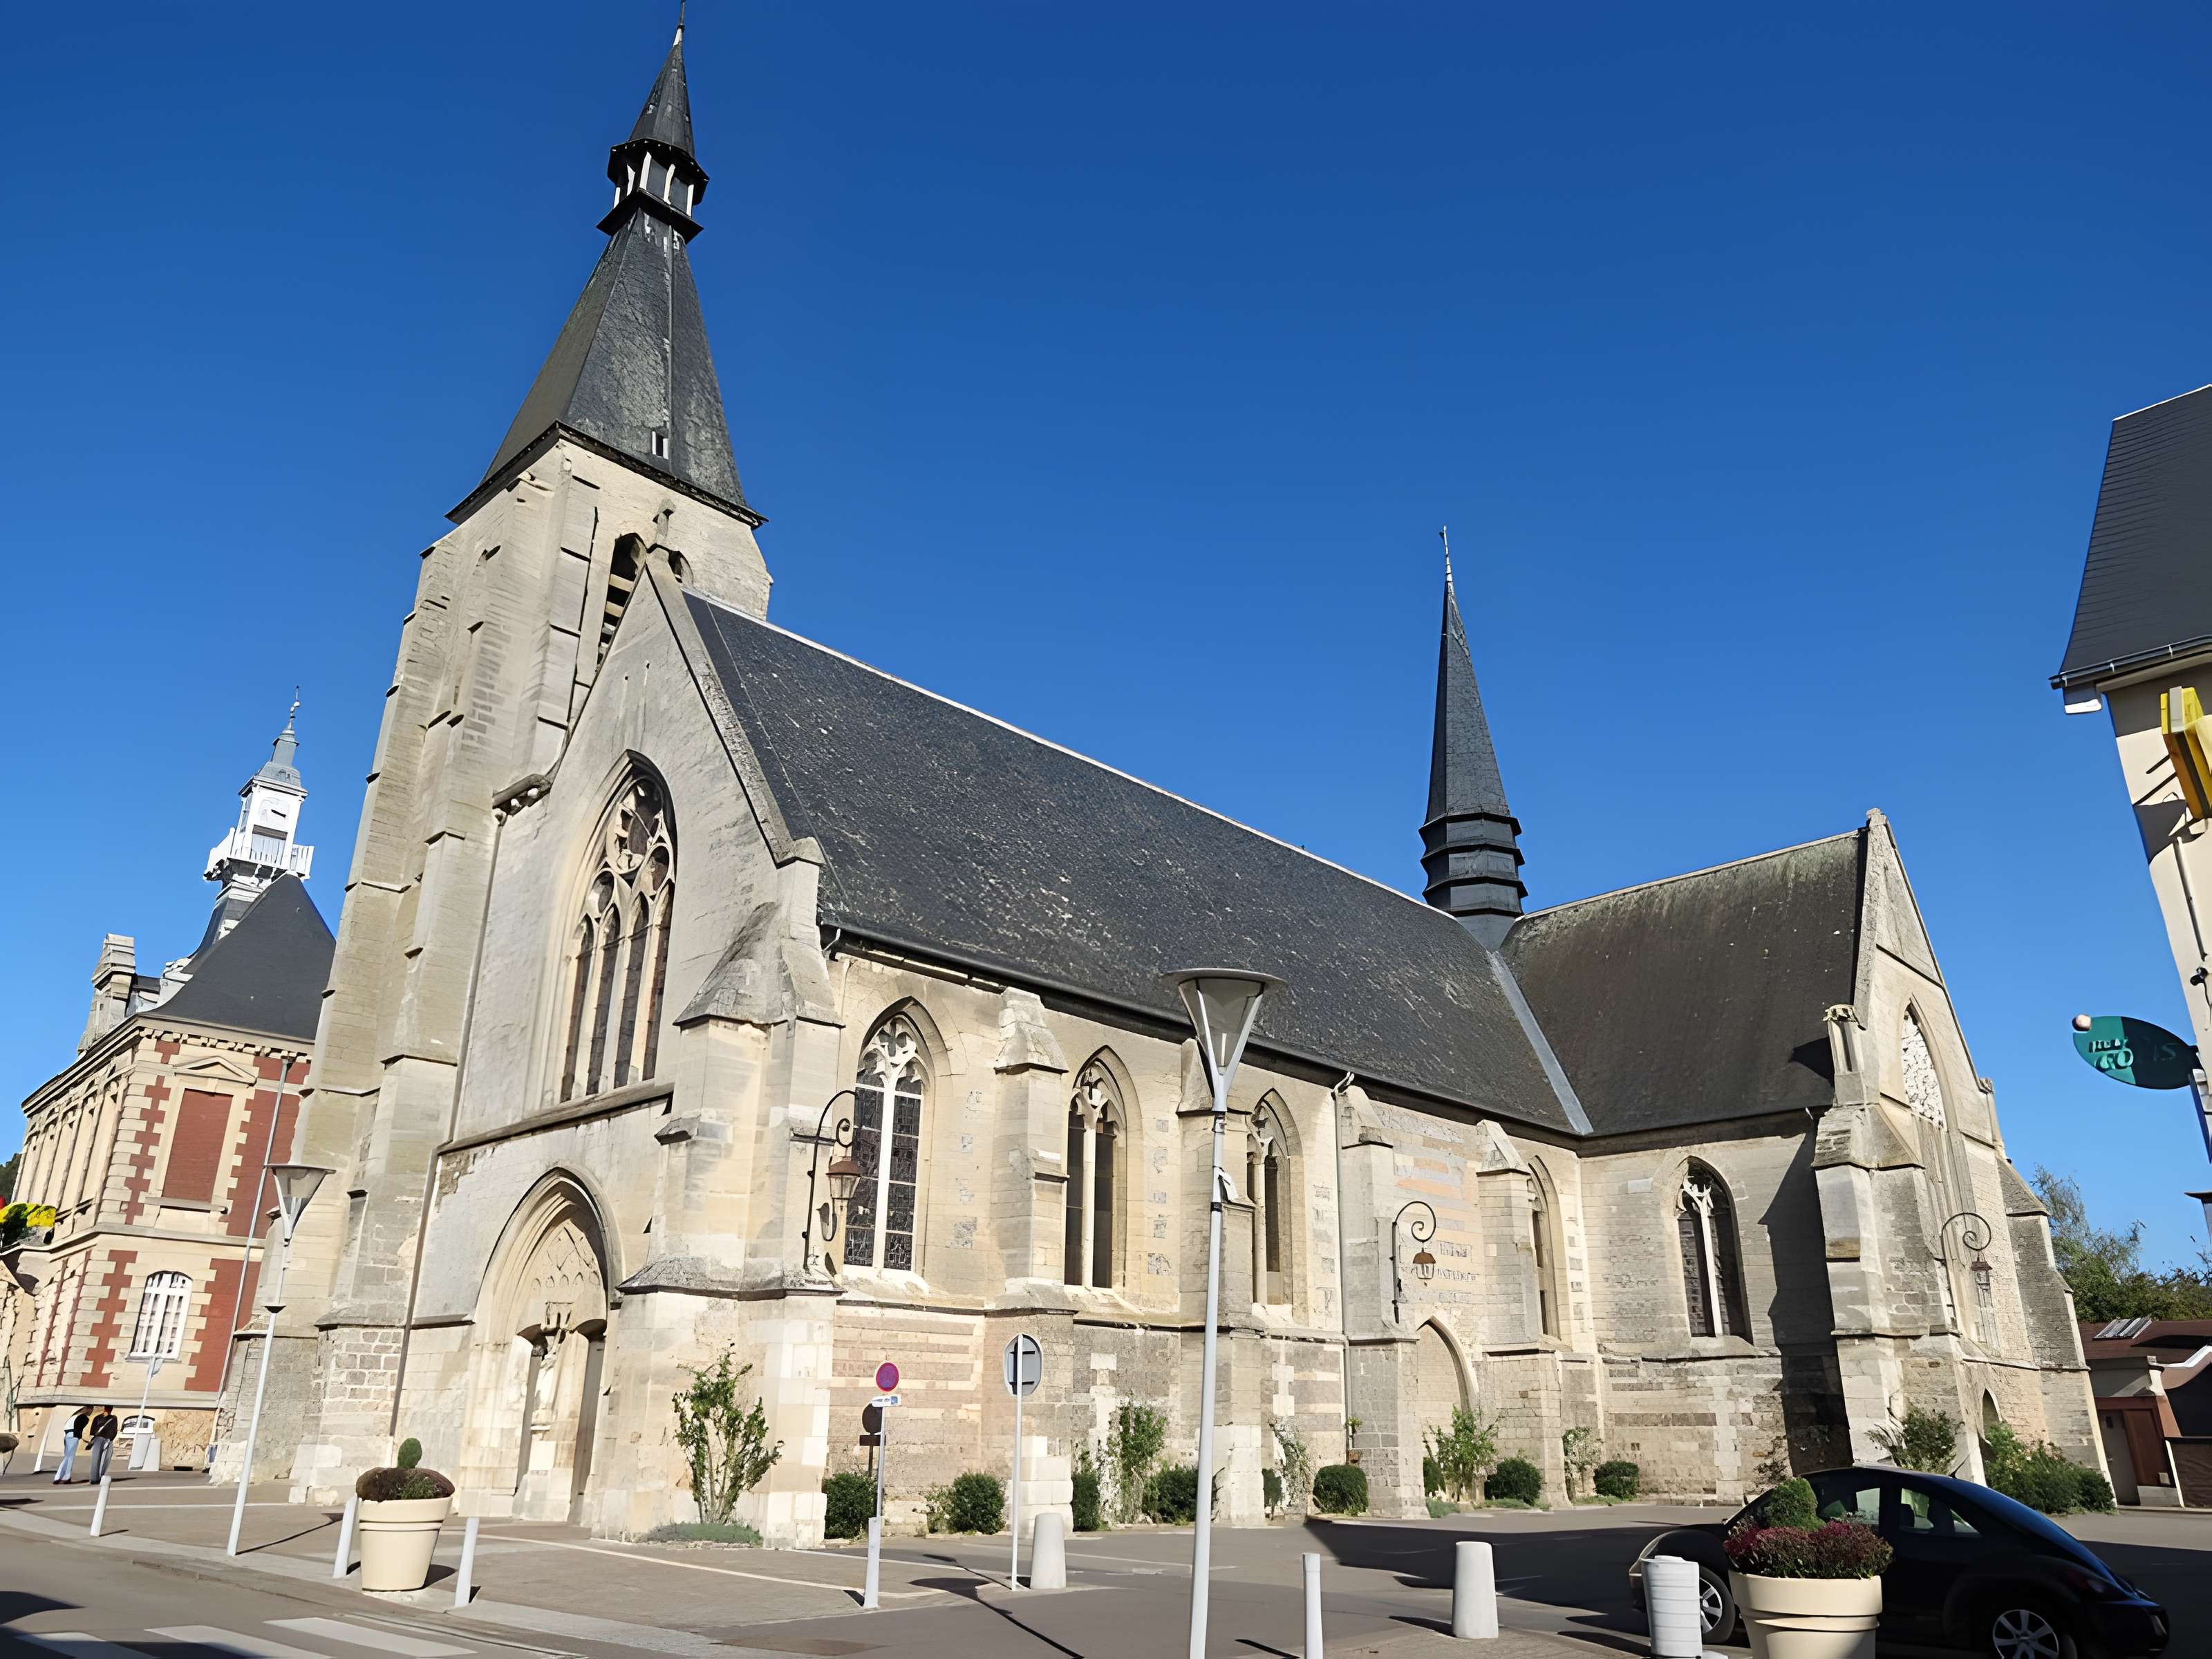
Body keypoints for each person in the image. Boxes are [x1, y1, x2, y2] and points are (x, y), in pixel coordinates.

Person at [52, 1406, 89, 1484]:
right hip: (73, 1436)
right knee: (69, 1457)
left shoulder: (73, 1417)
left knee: (68, 1457)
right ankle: (62, 1476)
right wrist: (79, 1437)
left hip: (67, 1435)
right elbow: (79, 1428)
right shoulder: (83, 1417)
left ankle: (64, 1476)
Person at [88, 1407, 120, 1483]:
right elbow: (114, 1430)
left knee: (100, 1459)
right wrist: (110, 1439)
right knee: (102, 1459)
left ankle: (96, 1478)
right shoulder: (113, 1419)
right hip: (104, 1439)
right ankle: (97, 1478)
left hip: (103, 1439)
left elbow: (92, 1431)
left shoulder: (98, 1418)